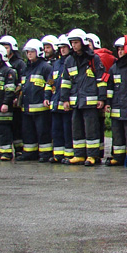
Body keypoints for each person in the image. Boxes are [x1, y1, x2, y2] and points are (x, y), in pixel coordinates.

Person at [60, 28, 108, 166]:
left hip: (90, 101)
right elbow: (66, 81)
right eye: (72, 43)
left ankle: (92, 156)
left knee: (91, 129)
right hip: (76, 101)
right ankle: (79, 155)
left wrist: (102, 98)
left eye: (76, 42)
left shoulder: (93, 59)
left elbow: (101, 79)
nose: (74, 45)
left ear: (83, 43)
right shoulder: (69, 60)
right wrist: (64, 99)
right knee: (77, 129)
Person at [17, 39, 54, 162]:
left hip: (41, 108)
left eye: (32, 51)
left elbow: (51, 84)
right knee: (28, 132)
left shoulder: (45, 67)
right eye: (27, 52)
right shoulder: (26, 68)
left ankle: (45, 154)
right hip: (27, 107)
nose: (29, 54)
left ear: (38, 52)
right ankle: (29, 153)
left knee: (43, 132)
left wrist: (48, 98)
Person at [106, 36, 127, 166]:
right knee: (117, 134)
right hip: (116, 107)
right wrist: (108, 103)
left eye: (122, 50)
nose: (120, 52)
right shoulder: (114, 68)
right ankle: (118, 157)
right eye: (118, 50)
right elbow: (110, 88)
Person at [0, 35, 26, 157]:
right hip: (2, 99)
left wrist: (16, 97)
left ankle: (19, 149)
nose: (5, 49)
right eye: (2, 46)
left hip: (15, 99)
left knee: (16, 124)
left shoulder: (19, 63)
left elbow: (22, 82)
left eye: (6, 47)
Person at [46, 35, 74, 163]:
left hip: (66, 103)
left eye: (64, 47)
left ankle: (68, 154)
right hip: (55, 102)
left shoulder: (72, 61)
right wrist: (47, 96)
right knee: (56, 130)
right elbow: (50, 81)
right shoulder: (56, 64)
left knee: (67, 130)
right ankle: (58, 154)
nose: (62, 50)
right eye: (60, 48)